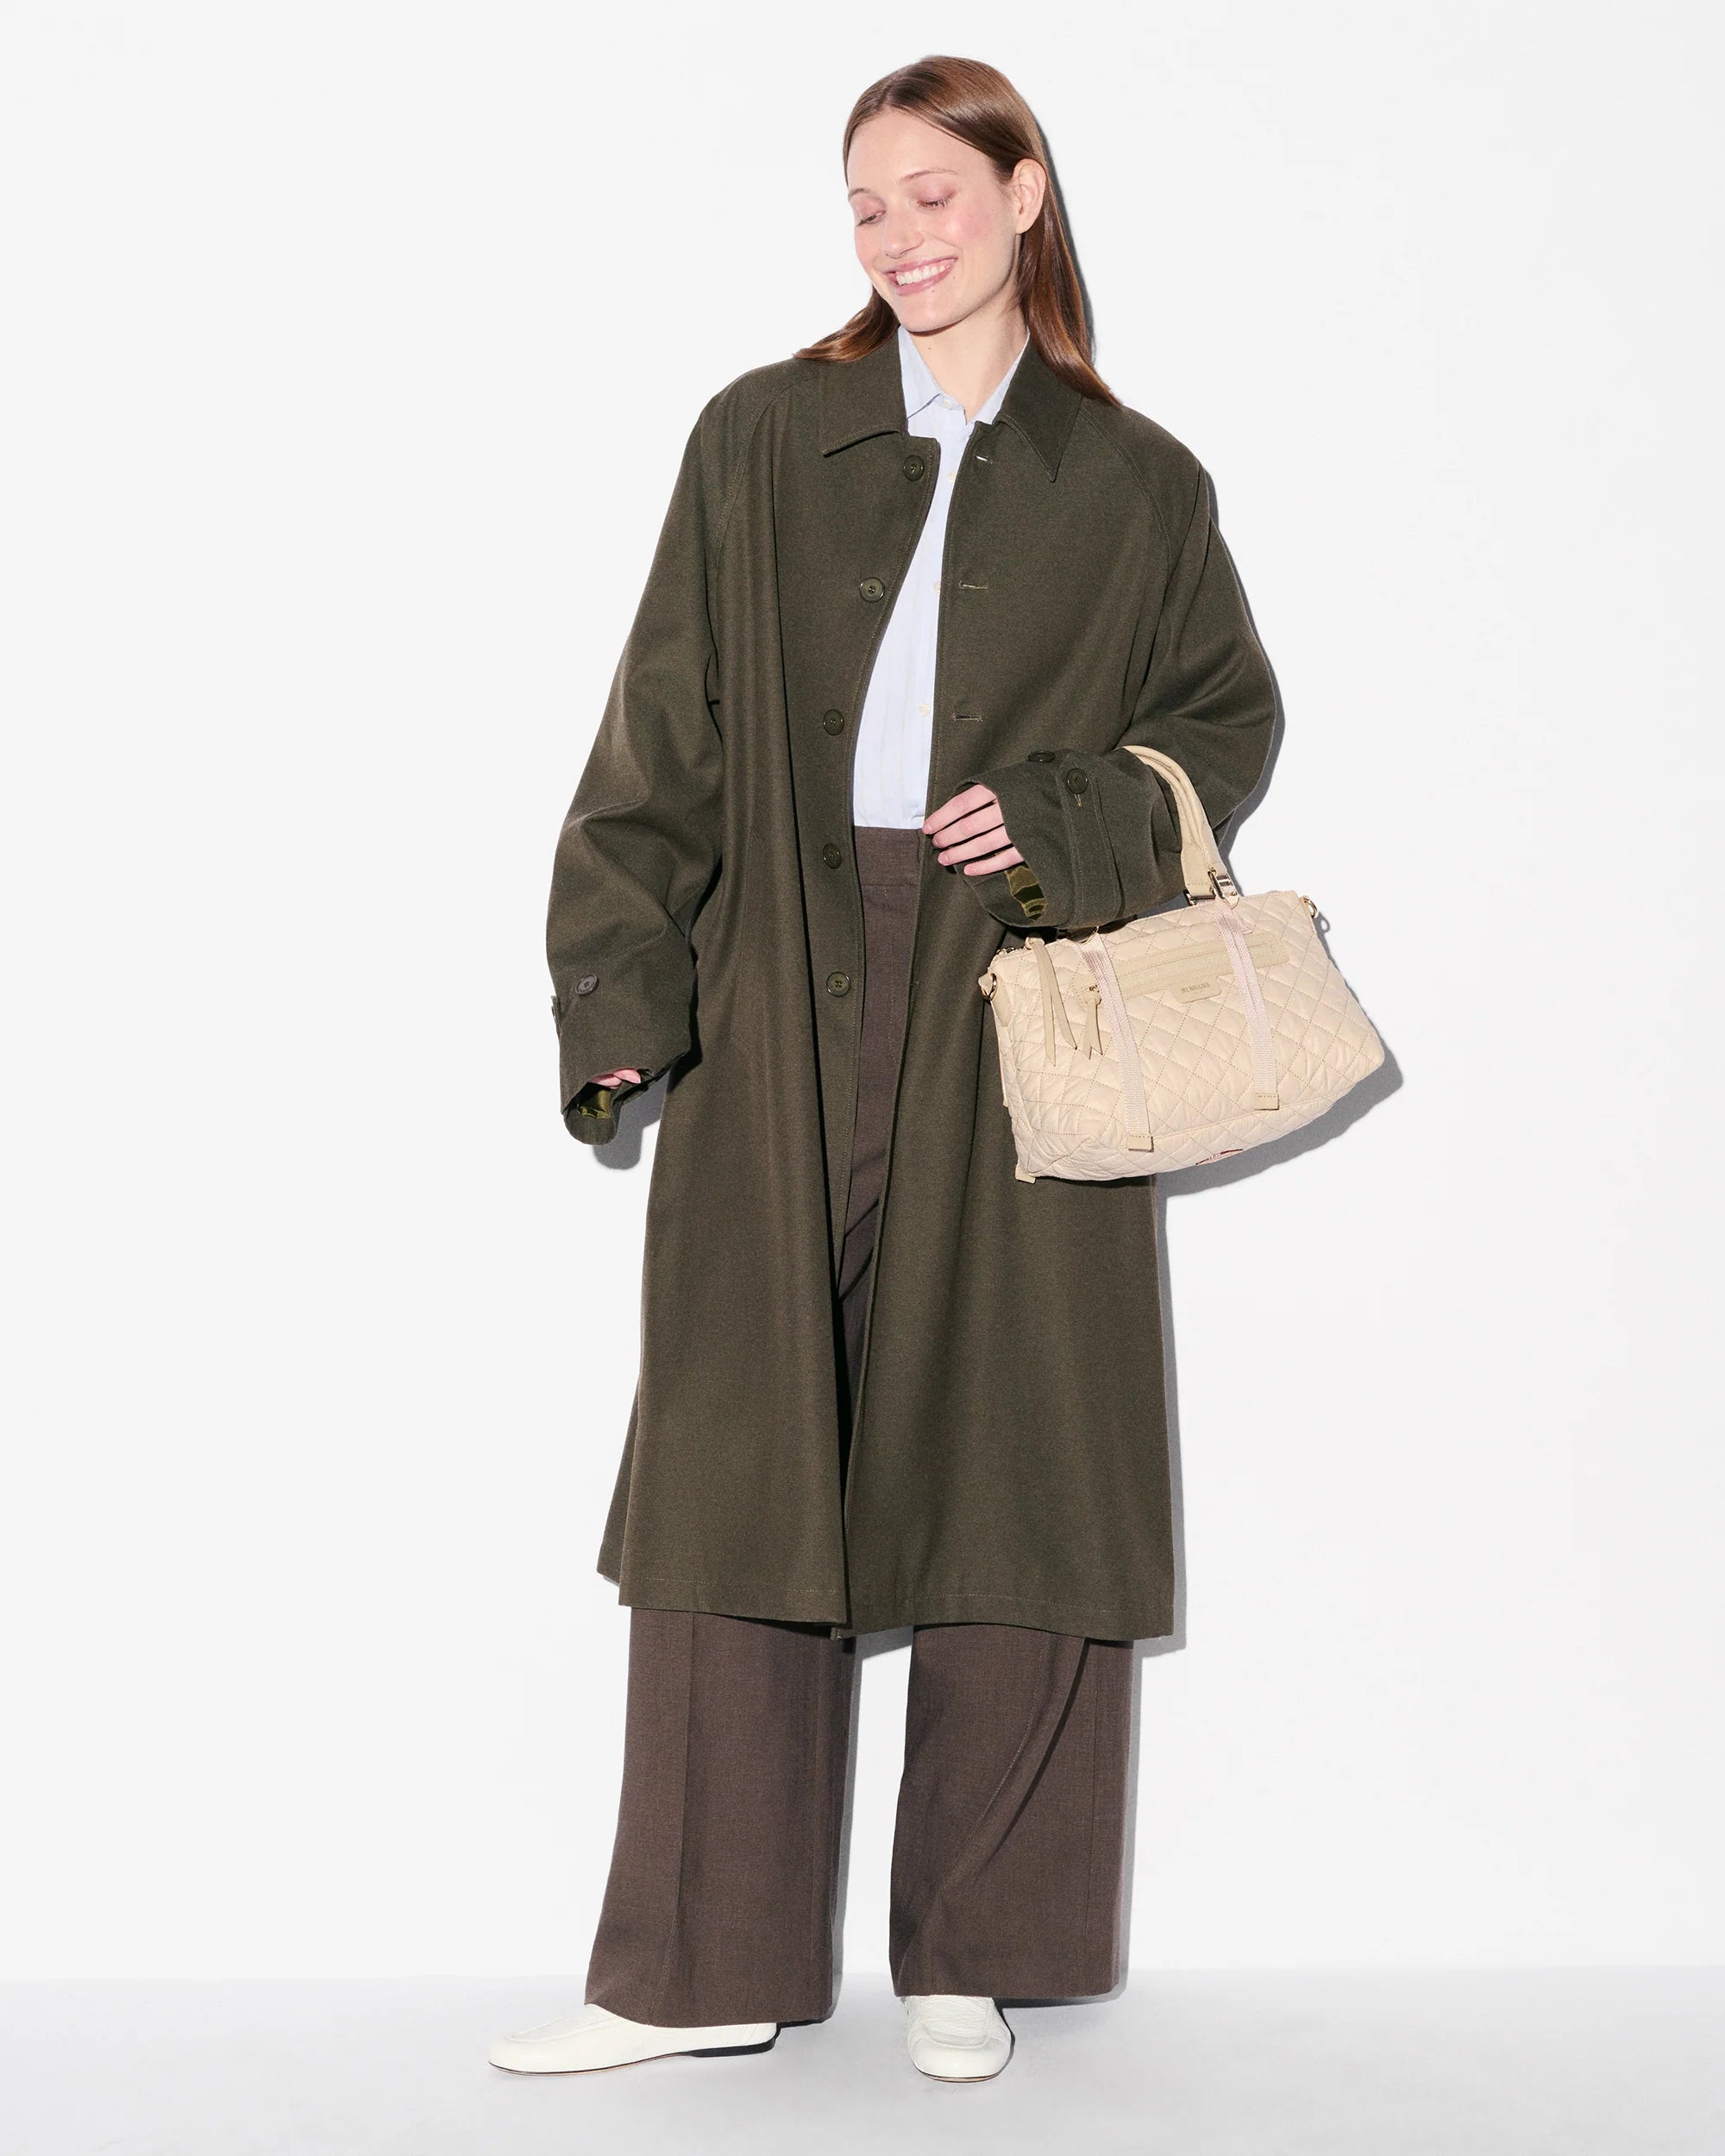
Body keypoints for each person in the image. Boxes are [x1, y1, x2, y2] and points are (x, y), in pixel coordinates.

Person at [491, 52, 1277, 2084]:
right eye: (865, 204)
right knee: (740, 1442)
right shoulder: (763, 435)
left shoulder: (1137, 484)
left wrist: (1072, 809)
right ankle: (698, 1965)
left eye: (932, 191)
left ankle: (975, 1947)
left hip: (1020, 983)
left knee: (1022, 1434)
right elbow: (658, 730)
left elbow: (1228, 721)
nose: (897, 235)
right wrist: (617, 996)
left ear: (1024, 192)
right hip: (778, 966)